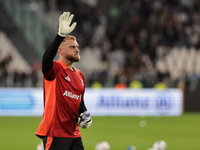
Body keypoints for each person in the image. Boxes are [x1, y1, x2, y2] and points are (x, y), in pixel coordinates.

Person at [35, 12, 92, 150]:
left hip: (74, 133)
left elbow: (80, 102)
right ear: (60, 51)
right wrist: (60, 35)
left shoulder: (80, 75)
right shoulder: (54, 69)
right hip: (55, 132)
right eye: (72, 47)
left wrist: (84, 115)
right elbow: (46, 59)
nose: (77, 50)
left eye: (77, 46)